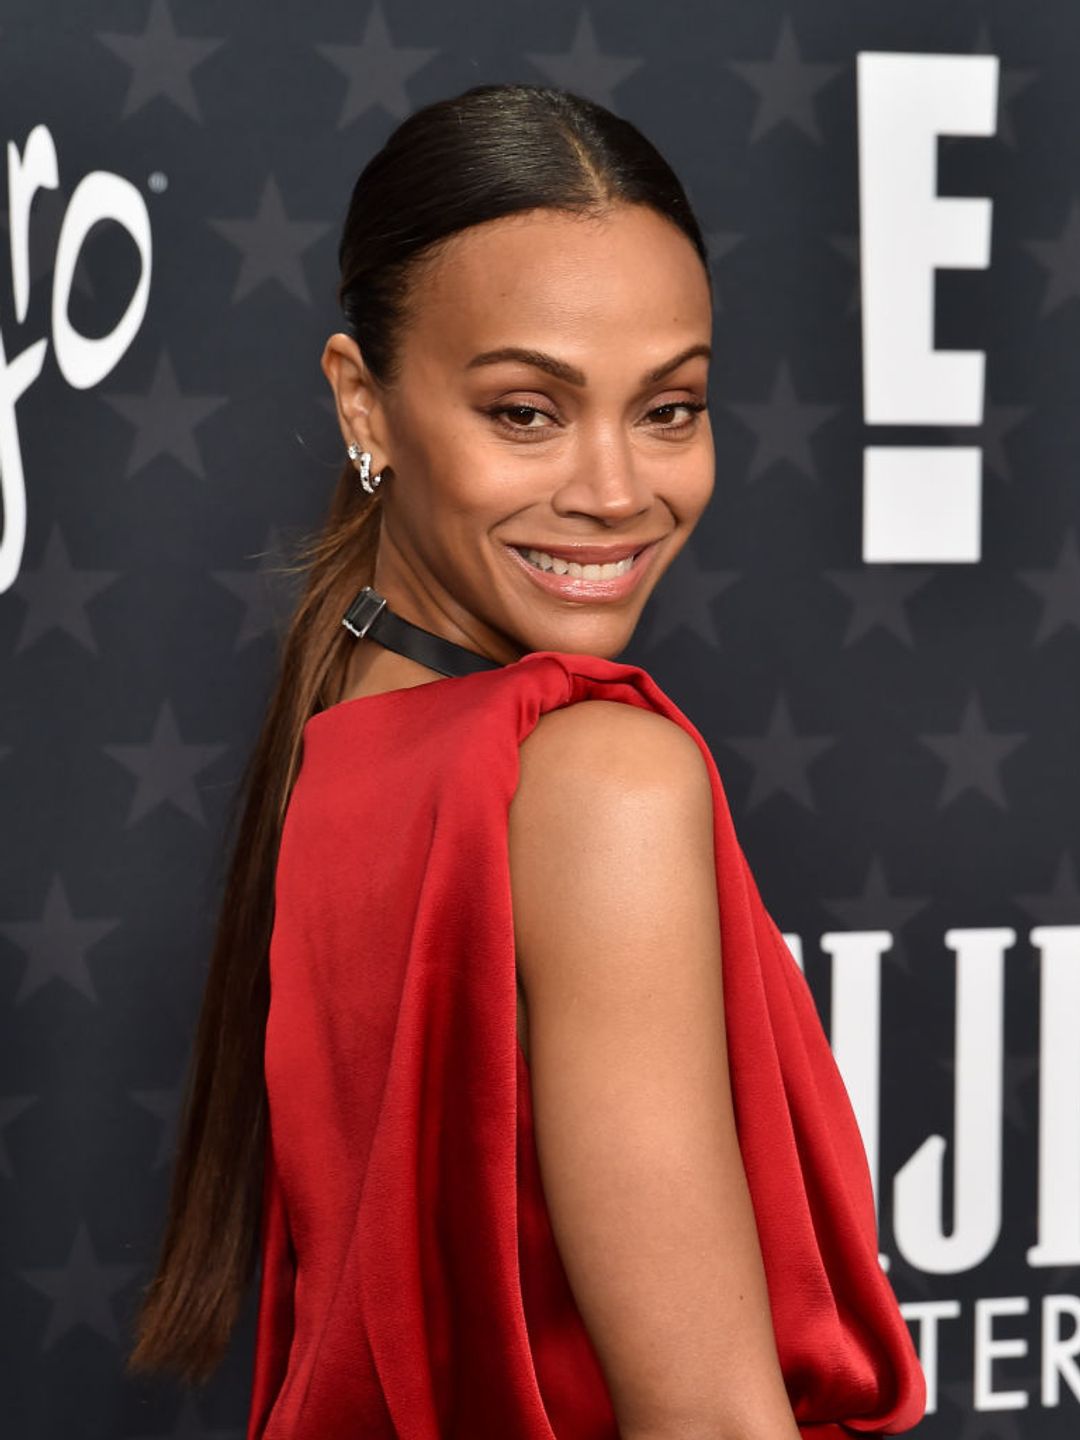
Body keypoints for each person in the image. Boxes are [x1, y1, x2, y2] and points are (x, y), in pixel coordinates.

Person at [125, 82, 927, 1439]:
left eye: (669, 409)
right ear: (363, 405)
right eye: (525, 412)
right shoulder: (600, 780)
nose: (618, 488)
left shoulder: (351, 725)